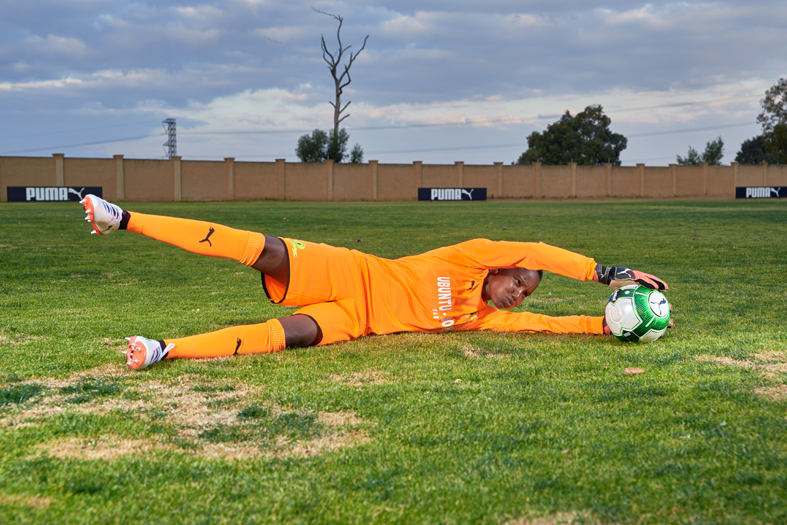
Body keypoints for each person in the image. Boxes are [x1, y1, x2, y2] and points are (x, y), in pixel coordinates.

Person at [79, 195, 669, 370]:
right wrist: (602, 273)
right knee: (263, 249)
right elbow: (534, 247)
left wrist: (602, 323)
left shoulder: (479, 316)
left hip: (355, 322)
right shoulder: (468, 258)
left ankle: (165, 348)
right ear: (499, 267)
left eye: (526, 291)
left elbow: (546, 325)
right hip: (350, 270)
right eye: (520, 281)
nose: (521, 292)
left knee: (292, 336)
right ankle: (123, 218)